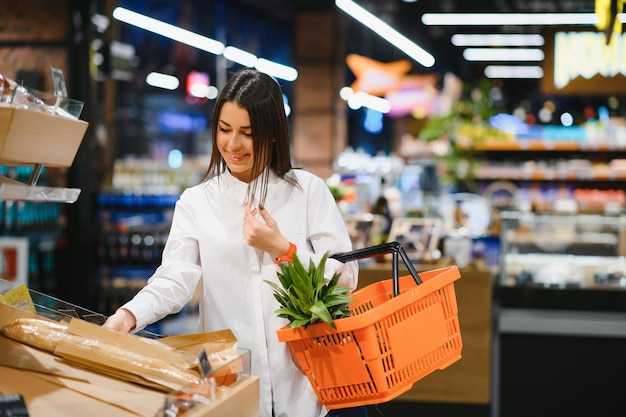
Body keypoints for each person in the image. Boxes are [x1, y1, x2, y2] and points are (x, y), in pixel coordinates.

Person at [103, 68, 369, 417]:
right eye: (224, 130)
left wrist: (282, 250)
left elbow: (346, 276)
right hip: (231, 385)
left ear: (272, 134)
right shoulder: (197, 201)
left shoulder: (306, 192)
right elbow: (175, 277)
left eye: (248, 133)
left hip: (304, 386)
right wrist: (127, 316)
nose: (232, 144)